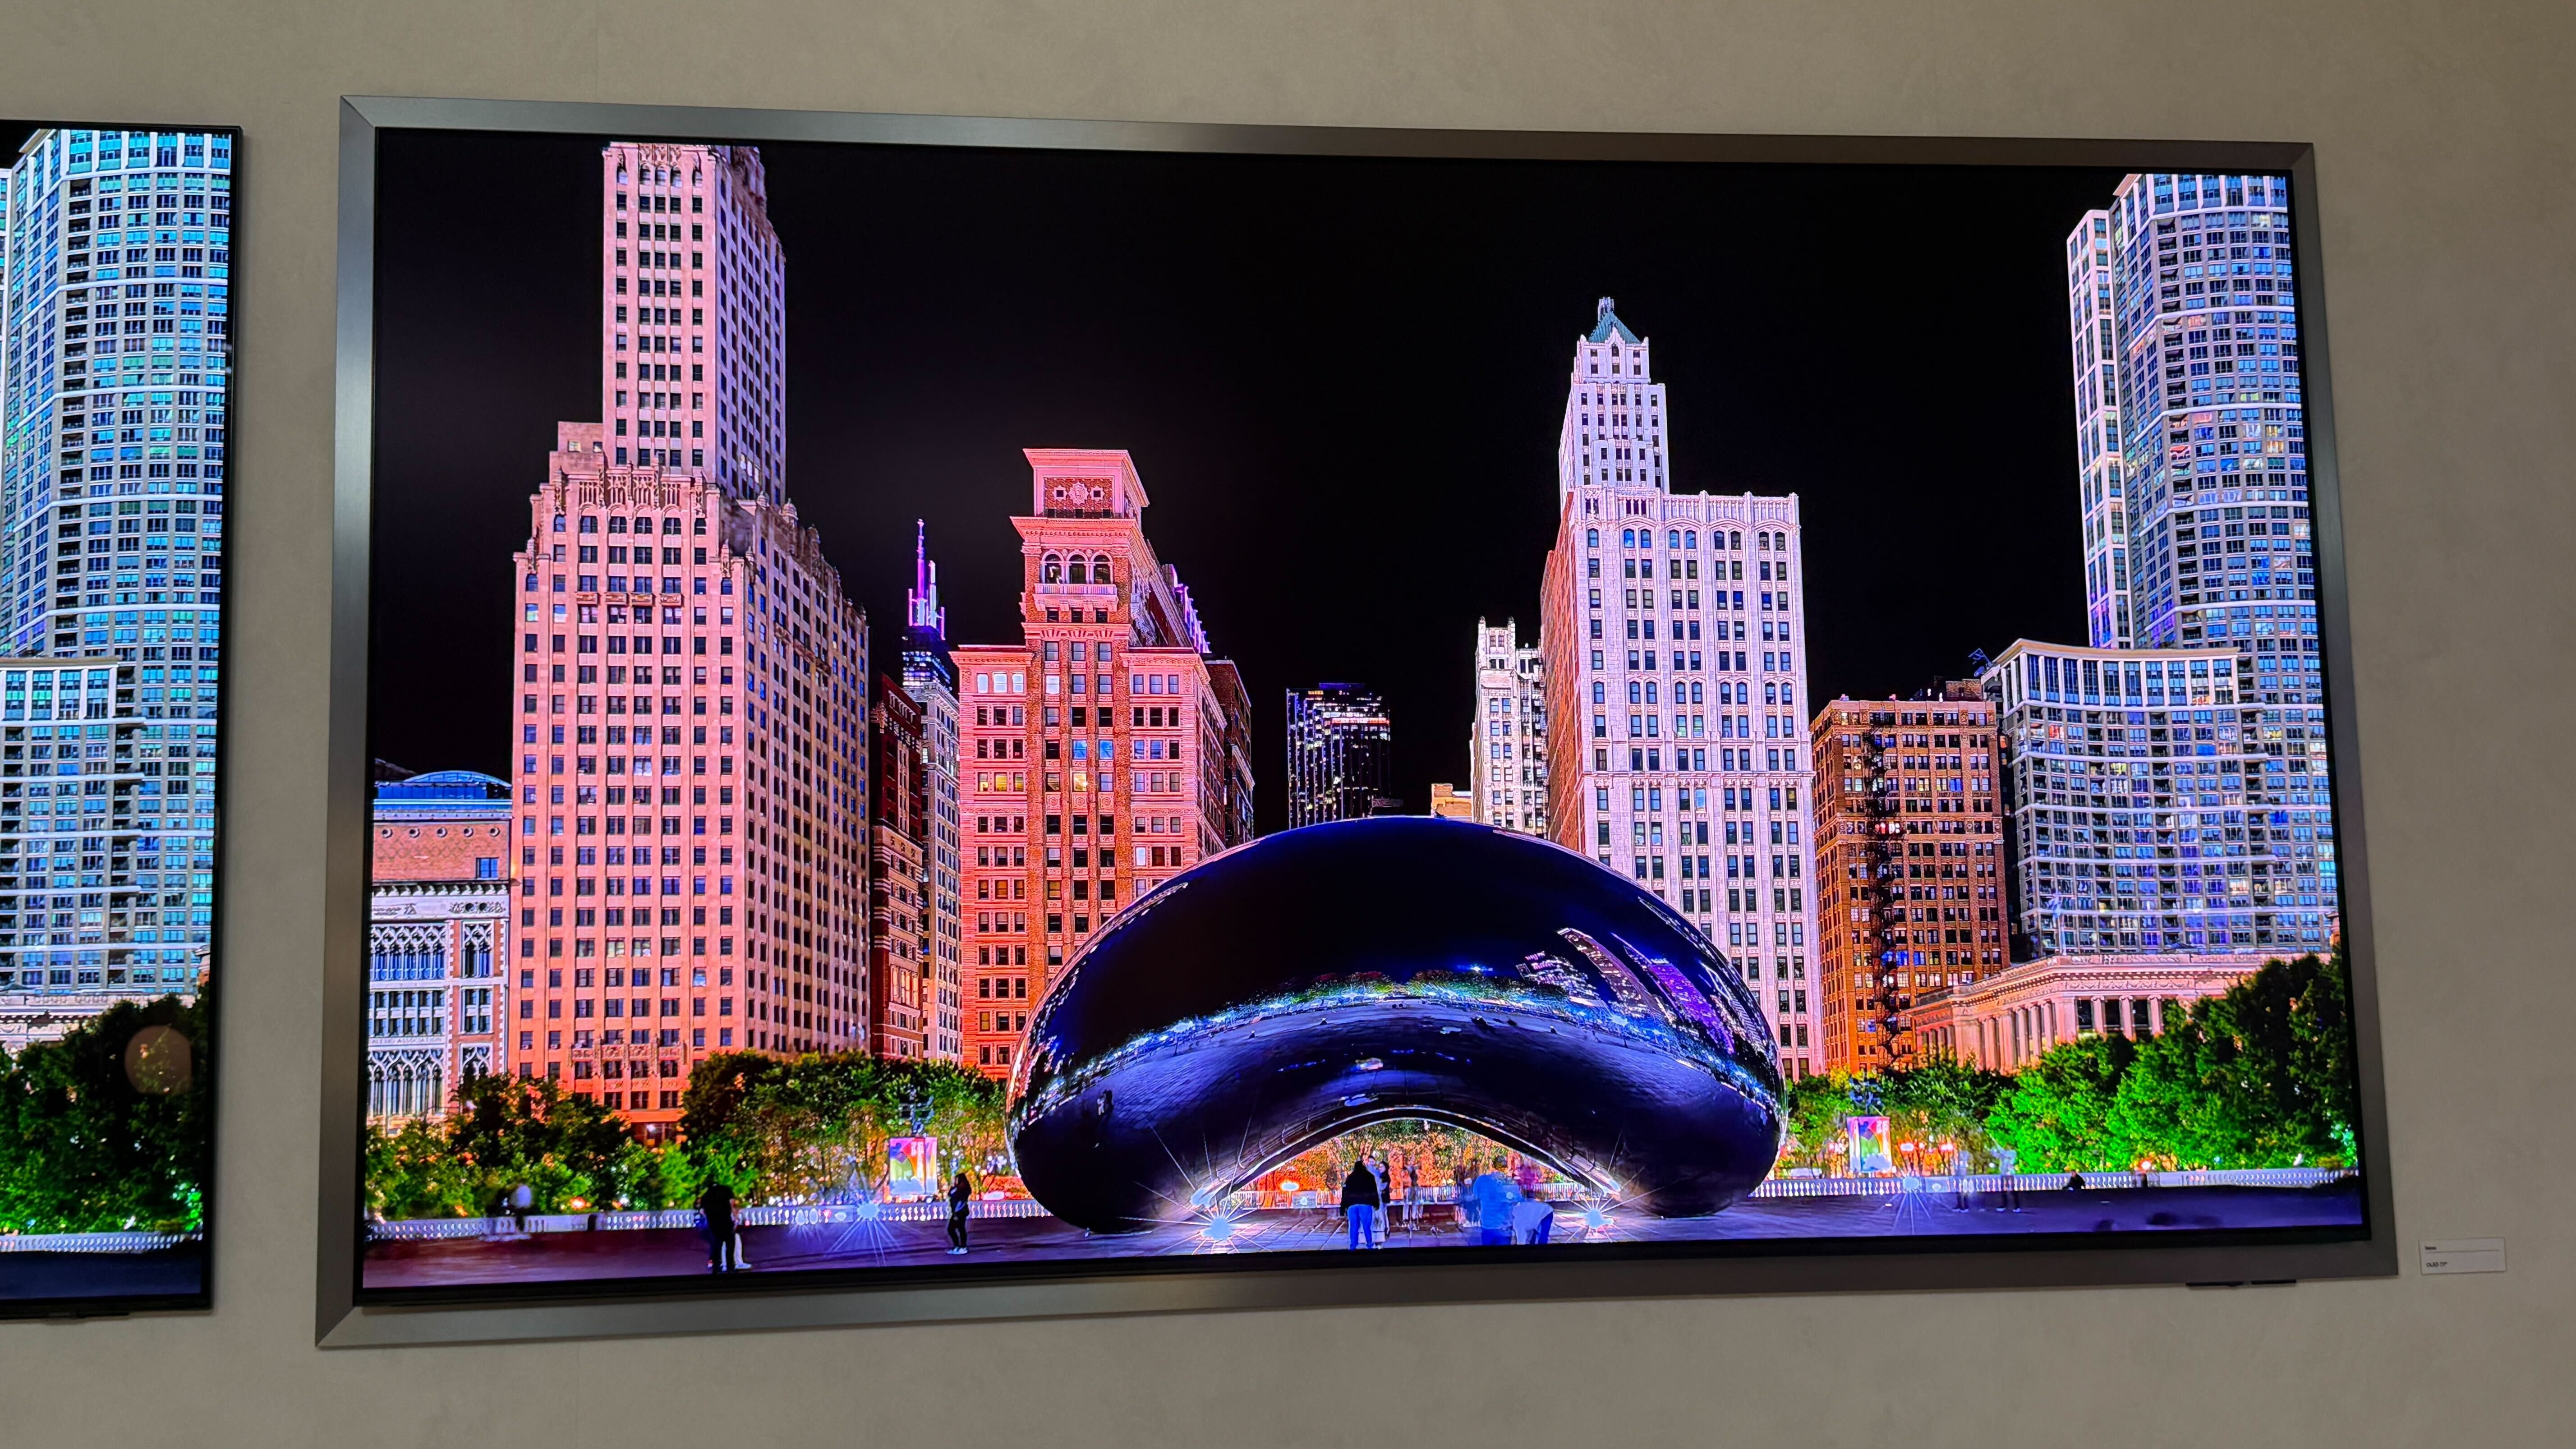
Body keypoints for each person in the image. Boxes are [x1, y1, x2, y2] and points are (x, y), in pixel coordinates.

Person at [1468, 1155, 1520, 1247]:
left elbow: (1475, 1197)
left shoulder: (1482, 1181)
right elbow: (1518, 1201)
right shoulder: (1511, 1183)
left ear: (1492, 1165)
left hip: (1488, 1226)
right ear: (1506, 1168)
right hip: (1505, 1227)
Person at [696, 1179, 737, 1274]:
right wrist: (735, 1218)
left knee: (716, 1246)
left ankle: (716, 1268)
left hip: (714, 1224)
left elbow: (702, 1212)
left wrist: (710, 1217)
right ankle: (731, 1267)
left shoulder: (706, 1196)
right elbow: (732, 1205)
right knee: (730, 1245)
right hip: (726, 1221)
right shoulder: (726, 1190)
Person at [1341, 1158, 1382, 1250]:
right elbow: (1374, 1191)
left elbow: (1345, 1193)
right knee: (1367, 1226)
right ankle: (1369, 1244)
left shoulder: (1350, 1178)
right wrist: (1376, 1204)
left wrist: (1343, 1207)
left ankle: (1353, 1246)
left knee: (1354, 1226)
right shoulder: (1369, 1176)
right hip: (1365, 1204)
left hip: (1352, 1205)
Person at [946, 1170, 975, 1255]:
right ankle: (957, 1246)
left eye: (957, 1180)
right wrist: (953, 1186)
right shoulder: (957, 1188)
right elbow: (950, 1194)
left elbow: (957, 1197)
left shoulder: (964, 1190)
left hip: (961, 1211)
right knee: (952, 1229)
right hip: (956, 1212)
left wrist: (956, 1213)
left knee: (960, 1229)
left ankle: (963, 1247)